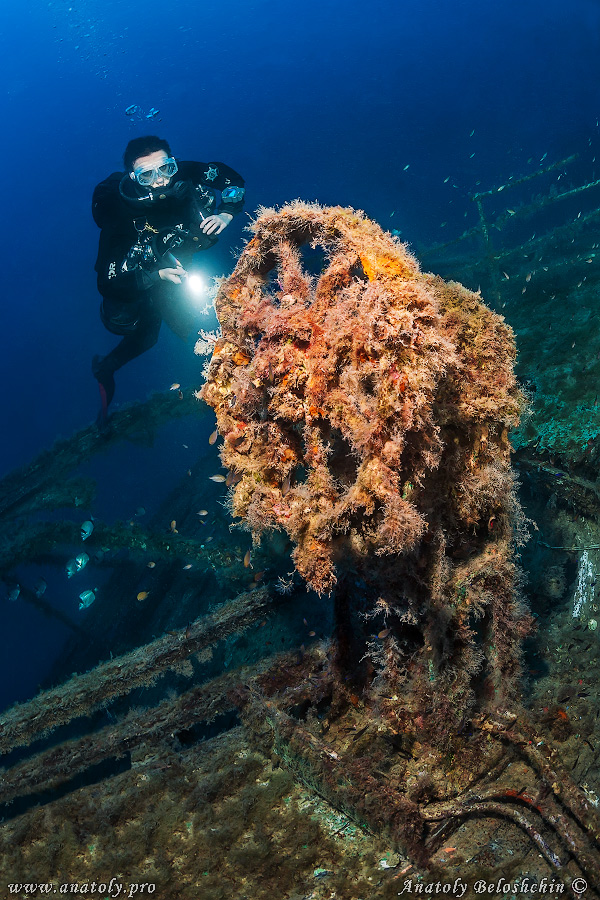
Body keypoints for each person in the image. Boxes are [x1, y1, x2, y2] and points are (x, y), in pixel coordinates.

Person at [91, 135, 245, 425]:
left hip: (176, 261)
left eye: (166, 169)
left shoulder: (184, 173)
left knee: (181, 324)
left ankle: (208, 369)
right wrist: (154, 275)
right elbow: (106, 282)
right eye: (147, 175)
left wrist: (227, 212)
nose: (160, 181)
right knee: (147, 334)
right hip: (142, 274)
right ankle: (106, 371)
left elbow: (228, 176)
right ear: (133, 178)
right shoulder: (118, 214)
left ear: (174, 163)